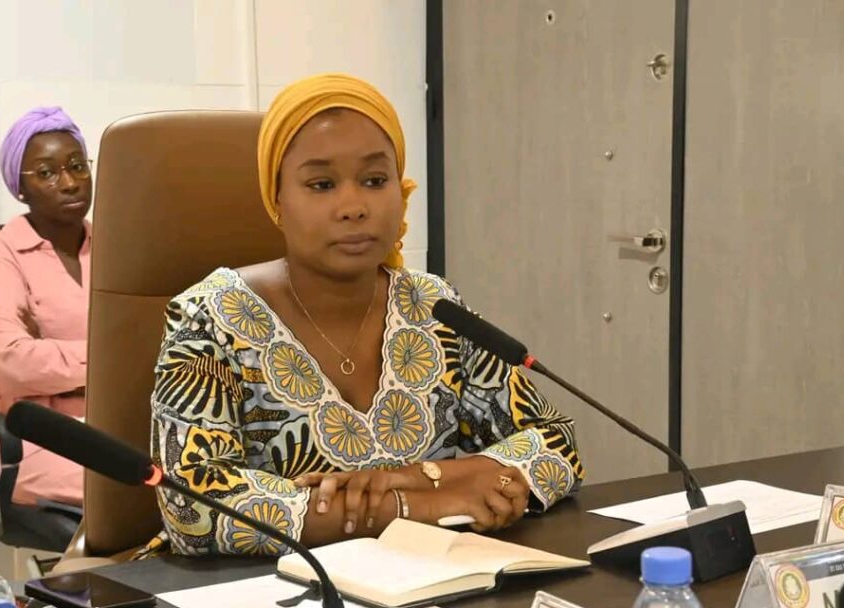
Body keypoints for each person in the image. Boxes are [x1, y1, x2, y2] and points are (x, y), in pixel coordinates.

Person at [144, 74, 584, 557]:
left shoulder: (434, 306)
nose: (353, 207)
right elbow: (193, 506)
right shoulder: (211, 317)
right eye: (322, 184)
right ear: (277, 199)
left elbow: (555, 442)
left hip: (434, 580)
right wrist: (414, 508)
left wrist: (427, 477)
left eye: (375, 181)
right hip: (259, 592)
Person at [0, 106, 92, 507]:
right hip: (29, 433)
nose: (69, 183)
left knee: (200, 473)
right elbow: (16, 366)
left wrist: (53, 355)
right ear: (20, 187)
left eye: (77, 166)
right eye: (47, 173)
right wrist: (114, 361)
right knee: (135, 487)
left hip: (118, 419)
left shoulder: (118, 248)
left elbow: (155, 347)